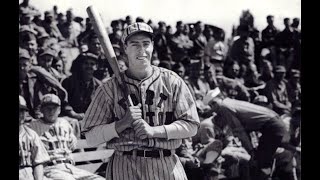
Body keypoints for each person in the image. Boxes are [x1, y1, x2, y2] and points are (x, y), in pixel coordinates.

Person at [81, 22, 200, 180]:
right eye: (135, 44)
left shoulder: (172, 81)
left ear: (152, 47)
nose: (141, 50)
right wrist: (122, 123)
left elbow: (191, 126)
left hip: (166, 164)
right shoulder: (109, 88)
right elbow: (90, 137)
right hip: (125, 165)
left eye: (146, 44)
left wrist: (154, 131)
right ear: (125, 49)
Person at [203, 87, 286, 180]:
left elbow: (239, 130)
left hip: (271, 127)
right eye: (211, 105)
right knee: (260, 161)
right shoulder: (229, 102)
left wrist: (249, 150)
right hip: (273, 123)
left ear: (220, 98)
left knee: (259, 163)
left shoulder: (224, 107)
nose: (214, 108)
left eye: (214, 103)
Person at [28, 94, 105, 180]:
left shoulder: (65, 123)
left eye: (54, 108)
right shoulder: (33, 127)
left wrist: (74, 138)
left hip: (71, 168)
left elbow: (72, 142)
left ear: (59, 110)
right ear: (41, 109)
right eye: (47, 108)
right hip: (51, 168)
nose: (51, 111)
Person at [19, 95, 50, 180]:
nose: (20, 114)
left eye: (22, 111)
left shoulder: (31, 135)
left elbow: (38, 163)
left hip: (29, 174)